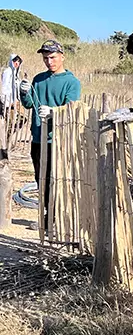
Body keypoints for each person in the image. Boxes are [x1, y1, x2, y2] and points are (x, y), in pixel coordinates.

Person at [19, 40, 82, 228]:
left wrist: (54, 112)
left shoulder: (71, 82)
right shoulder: (38, 79)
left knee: (58, 180)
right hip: (38, 138)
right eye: (46, 58)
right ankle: (48, 217)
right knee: (41, 179)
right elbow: (29, 103)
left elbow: (71, 109)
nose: (49, 61)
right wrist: (23, 92)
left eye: (53, 57)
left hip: (58, 139)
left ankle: (59, 219)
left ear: (62, 56)